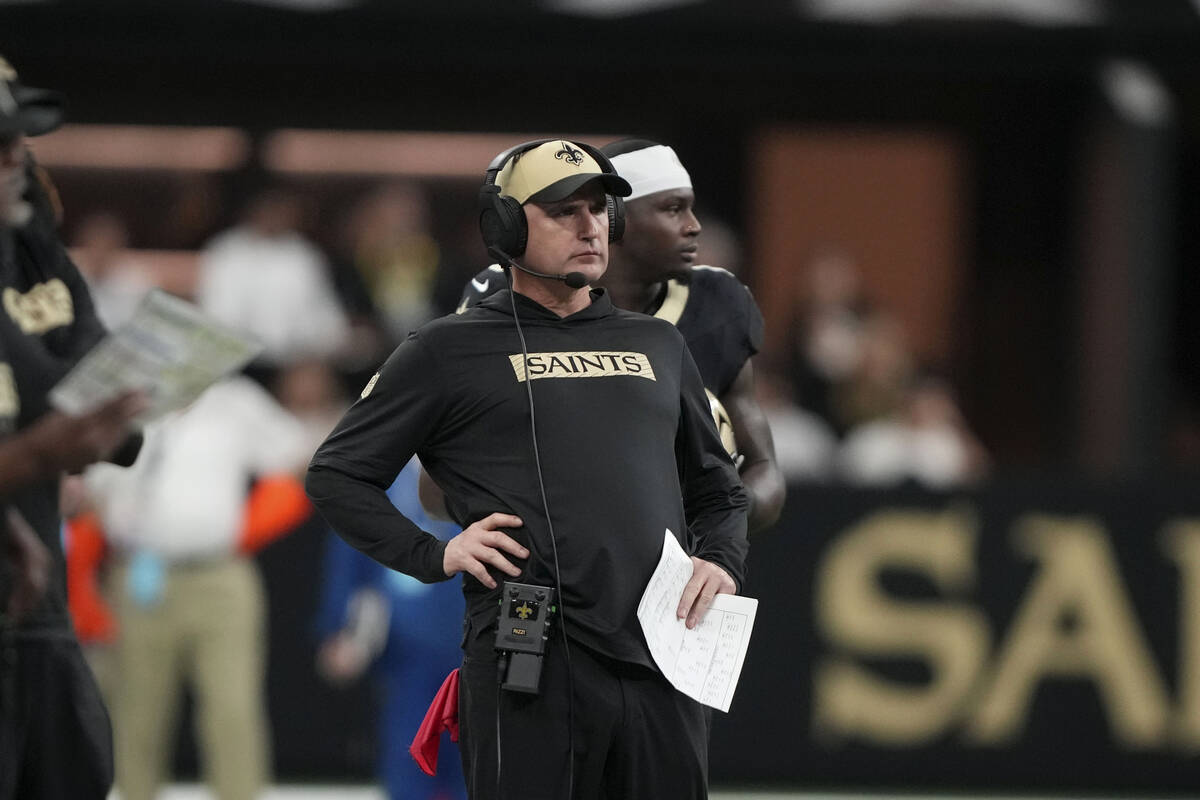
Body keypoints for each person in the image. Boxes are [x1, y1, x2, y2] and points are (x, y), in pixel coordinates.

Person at [306, 138, 749, 799]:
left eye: (599, 210)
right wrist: (436, 553)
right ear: (506, 227)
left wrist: (720, 560)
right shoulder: (446, 349)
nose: (589, 226)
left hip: (662, 657)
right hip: (530, 659)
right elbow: (337, 473)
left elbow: (720, 490)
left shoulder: (657, 343)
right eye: (563, 211)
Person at [449, 138, 785, 534]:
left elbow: (764, 469)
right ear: (615, 218)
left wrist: (715, 521)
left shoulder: (717, 301)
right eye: (673, 209)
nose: (694, 226)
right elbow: (437, 486)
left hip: (688, 571)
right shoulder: (510, 296)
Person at [0, 55, 144, 800]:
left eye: (19, 140)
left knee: (74, 770)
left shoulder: (35, 252)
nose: (16, 160)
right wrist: (38, 451)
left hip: (30, 594)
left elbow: (90, 361)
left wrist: (110, 417)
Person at [82, 375, 311, 800]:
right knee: (137, 712)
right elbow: (86, 486)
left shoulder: (234, 400)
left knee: (232, 709)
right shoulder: (120, 401)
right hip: (138, 575)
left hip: (220, 574)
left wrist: (251, 526)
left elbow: (300, 454)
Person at [315, 457, 467, 800]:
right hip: (404, 649)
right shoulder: (377, 475)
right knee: (408, 751)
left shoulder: (478, 471)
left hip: (469, 642)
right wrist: (338, 628)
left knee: (474, 759)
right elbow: (348, 550)